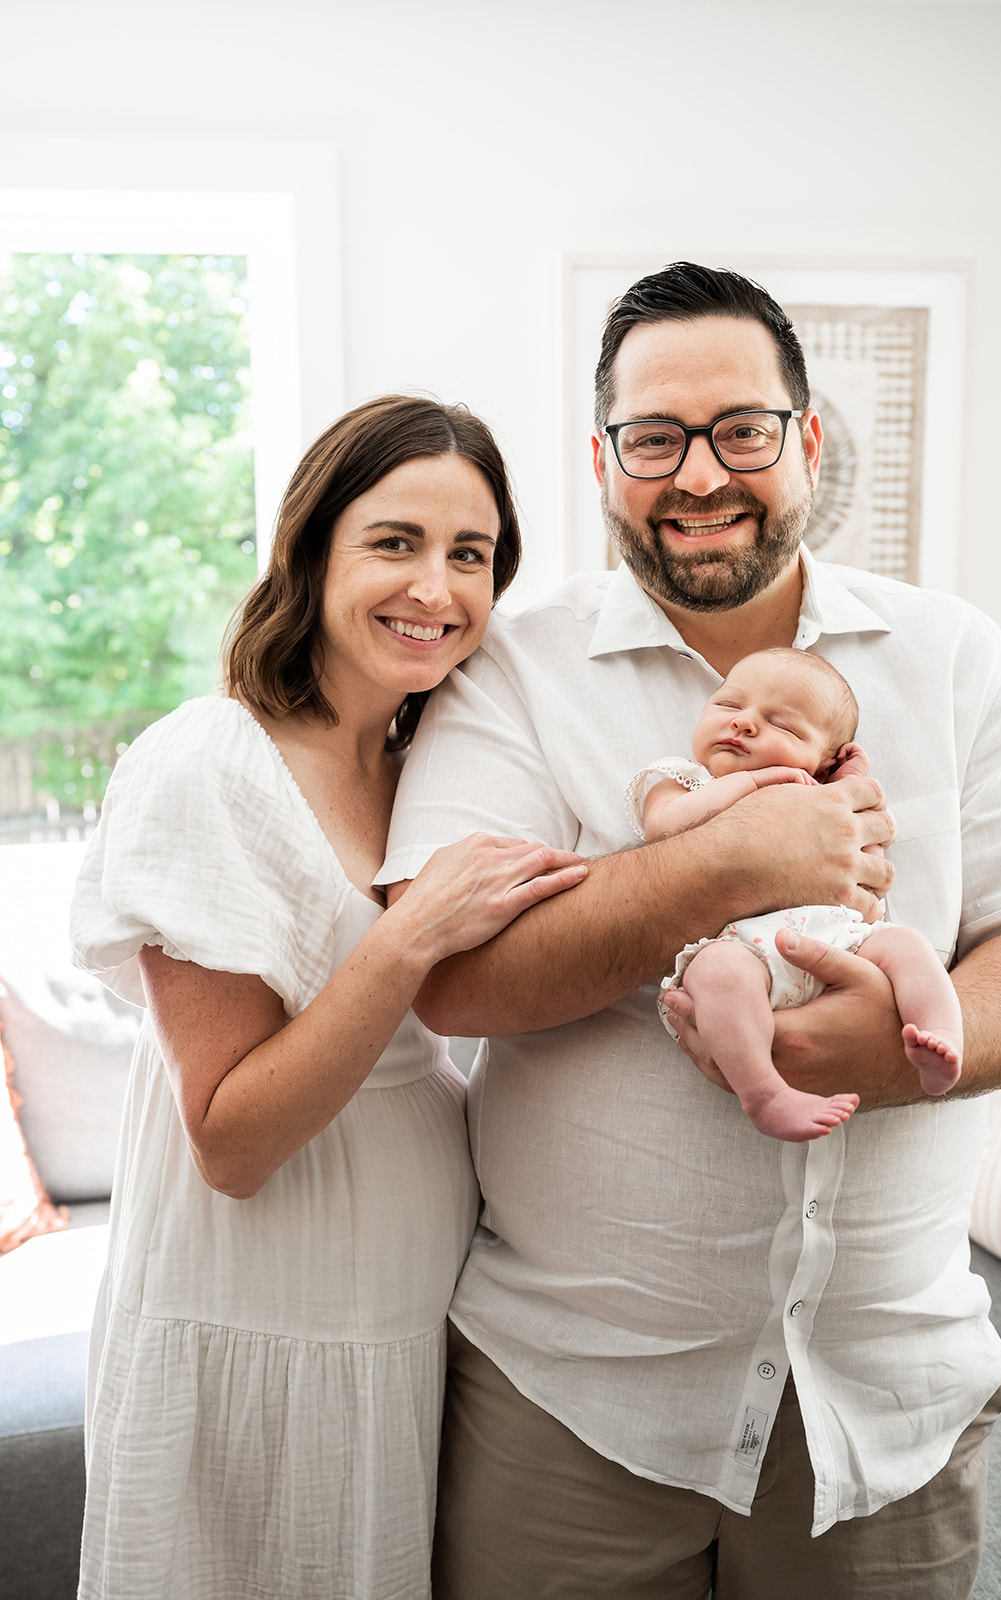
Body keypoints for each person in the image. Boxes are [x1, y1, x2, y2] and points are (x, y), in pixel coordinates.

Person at [379, 266, 1001, 1599]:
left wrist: (904, 1052)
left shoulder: (956, 658)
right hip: (574, 1397)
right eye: (654, 438)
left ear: (807, 440)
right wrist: (723, 867)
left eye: (741, 430)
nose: (700, 474)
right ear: (602, 462)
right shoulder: (508, 667)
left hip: (888, 1399)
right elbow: (451, 980)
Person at [68, 395, 587, 1600]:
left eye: (470, 554)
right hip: (256, 1311)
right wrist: (407, 937)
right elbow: (231, 1142)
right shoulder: (210, 762)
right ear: (311, 551)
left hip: (403, 1312)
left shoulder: (432, 768)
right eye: (394, 542)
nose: (436, 587)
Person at [630, 646, 964, 1142]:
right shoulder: (685, 780)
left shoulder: (822, 795)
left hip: (838, 940)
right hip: (741, 946)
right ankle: (764, 1093)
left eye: (782, 726)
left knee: (906, 945)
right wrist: (755, 781)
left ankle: (939, 1038)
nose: (743, 723)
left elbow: (867, 864)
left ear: (823, 763)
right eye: (728, 704)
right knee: (718, 975)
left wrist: (844, 786)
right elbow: (665, 827)